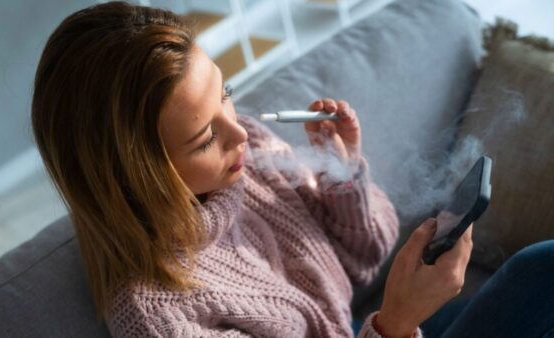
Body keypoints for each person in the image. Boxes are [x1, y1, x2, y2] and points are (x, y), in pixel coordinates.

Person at [31, 1, 554, 338]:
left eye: (226, 95)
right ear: (135, 175)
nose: (240, 131)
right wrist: (396, 324)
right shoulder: (160, 317)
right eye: (204, 137)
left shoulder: (248, 155)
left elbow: (364, 262)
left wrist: (343, 175)